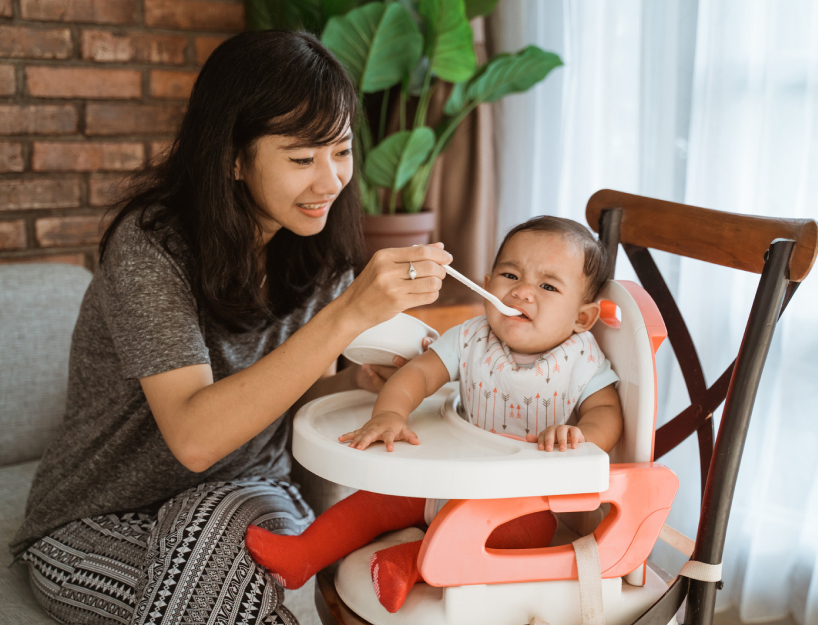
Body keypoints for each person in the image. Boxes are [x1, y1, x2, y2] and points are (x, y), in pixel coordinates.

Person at [9, 30, 452, 625]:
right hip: (95, 520)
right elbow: (194, 438)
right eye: (301, 159)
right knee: (230, 601)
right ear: (232, 158)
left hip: (248, 494)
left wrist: (359, 383)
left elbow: (289, 389)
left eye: (341, 151)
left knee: (219, 547)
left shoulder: (314, 247)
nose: (330, 181)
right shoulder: (151, 250)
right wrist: (344, 316)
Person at [246, 216, 624, 613]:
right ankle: (304, 553)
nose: (522, 292)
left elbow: (607, 412)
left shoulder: (581, 358)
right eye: (510, 275)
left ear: (582, 318)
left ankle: (409, 563)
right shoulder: (471, 337)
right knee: (374, 500)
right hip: (449, 477)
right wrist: (390, 413)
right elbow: (419, 374)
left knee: (529, 532)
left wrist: (579, 437)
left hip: (520, 500)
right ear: (486, 283)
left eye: (547, 286)